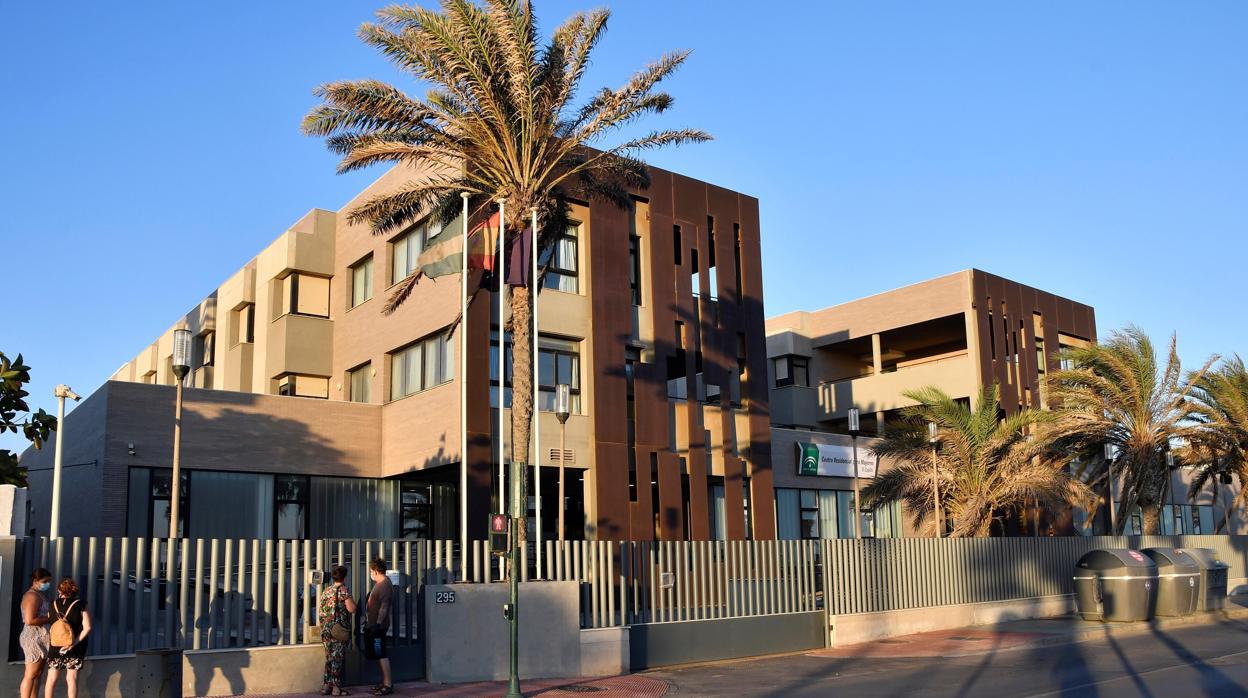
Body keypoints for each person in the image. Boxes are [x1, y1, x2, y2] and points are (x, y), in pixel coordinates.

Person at [45, 577, 91, 698]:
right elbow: (87, 628)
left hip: (55, 646)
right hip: (75, 648)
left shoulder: (52, 604)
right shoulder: (81, 604)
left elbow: (51, 622)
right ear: (74, 591)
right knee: (71, 679)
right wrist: (72, 644)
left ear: (60, 591)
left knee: (51, 679)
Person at [319, 566, 357, 696]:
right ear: (344, 577)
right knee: (337, 658)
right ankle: (336, 688)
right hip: (337, 630)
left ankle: (325, 686)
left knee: (329, 657)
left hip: (325, 629)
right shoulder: (343, 590)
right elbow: (352, 609)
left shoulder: (326, 591)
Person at [19, 568, 52, 698]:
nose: (47, 584)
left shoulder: (39, 595)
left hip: (42, 637)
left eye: (49, 581)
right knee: (30, 674)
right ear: (35, 581)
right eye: (45, 581)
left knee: (37, 674)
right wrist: (51, 617)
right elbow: (29, 620)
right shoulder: (32, 596)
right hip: (34, 638)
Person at [364, 558, 393, 695]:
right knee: (377, 653)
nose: (370, 573)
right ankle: (384, 681)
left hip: (378, 627)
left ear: (375, 571)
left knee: (381, 653)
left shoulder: (385, 585)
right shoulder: (380, 583)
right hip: (373, 625)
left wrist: (378, 624)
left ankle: (388, 684)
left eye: (371, 571)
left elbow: (384, 607)